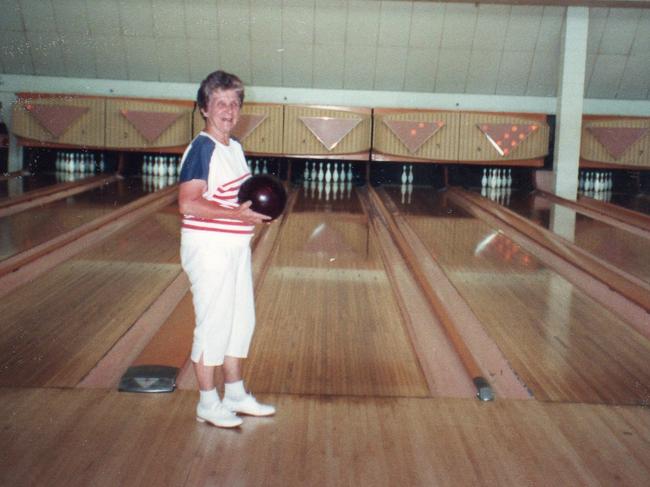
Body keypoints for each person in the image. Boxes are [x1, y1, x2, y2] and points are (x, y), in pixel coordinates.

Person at [178, 70, 275, 428]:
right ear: (204, 108)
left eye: (234, 102)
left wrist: (250, 216)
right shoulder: (202, 148)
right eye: (220, 102)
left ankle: (235, 394)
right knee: (214, 324)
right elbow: (188, 203)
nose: (228, 110)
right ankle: (207, 402)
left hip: (234, 248)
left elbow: (237, 203)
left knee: (240, 323)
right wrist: (235, 214)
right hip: (208, 248)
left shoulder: (234, 147)